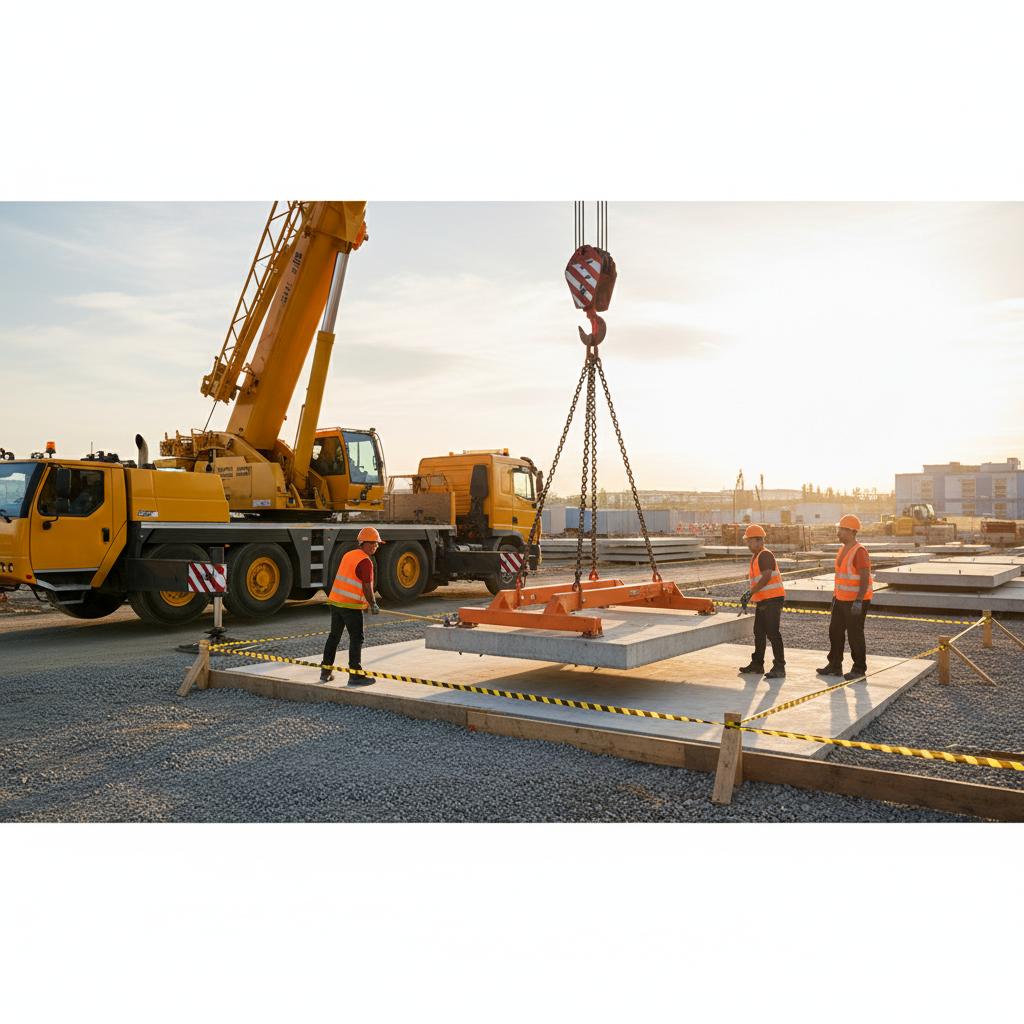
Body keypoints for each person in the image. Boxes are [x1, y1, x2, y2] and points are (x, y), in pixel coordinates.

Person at [320, 527, 383, 685]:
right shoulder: (365, 562)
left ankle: (325, 671)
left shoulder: (349, 555)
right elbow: (367, 587)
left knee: (334, 637)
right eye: (375, 543)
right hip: (351, 605)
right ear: (366, 544)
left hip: (336, 602)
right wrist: (373, 604)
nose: (377, 546)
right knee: (356, 638)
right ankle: (355, 674)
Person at [818, 514, 872, 681]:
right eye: (838, 529)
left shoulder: (859, 552)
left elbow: (864, 577)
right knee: (835, 632)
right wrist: (835, 598)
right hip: (841, 600)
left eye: (841, 530)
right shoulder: (842, 549)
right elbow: (841, 577)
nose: (838, 533)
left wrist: (858, 601)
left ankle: (859, 668)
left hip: (855, 601)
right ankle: (834, 665)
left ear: (851, 531)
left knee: (855, 634)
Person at [738, 524, 787, 678]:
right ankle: (757, 664)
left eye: (750, 541)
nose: (748, 544)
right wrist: (750, 595)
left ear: (760, 541)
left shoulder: (765, 555)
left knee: (772, 632)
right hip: (764, 600)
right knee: (759, 632)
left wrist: (750, 592)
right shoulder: (756, 556)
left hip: (772, 599)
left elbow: (766, 577)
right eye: (747, 541)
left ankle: (779, 666)